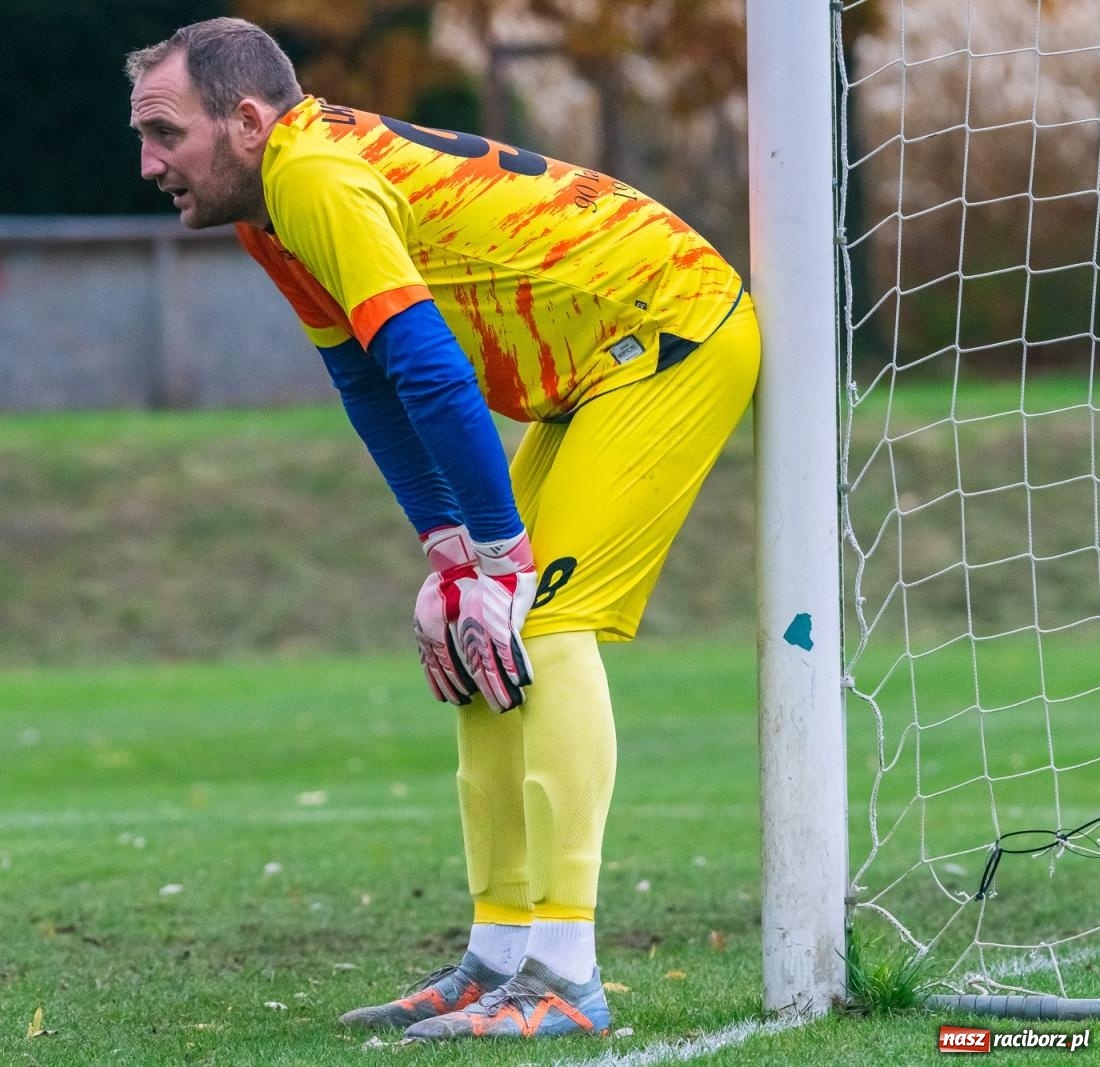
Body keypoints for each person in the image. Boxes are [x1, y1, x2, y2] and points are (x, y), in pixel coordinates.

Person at [125, 17, 759, 1043]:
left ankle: (567, 971)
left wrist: (502, 559)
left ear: (246, 120)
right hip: (593, 367)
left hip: (670, 332)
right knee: (480, 639)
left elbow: (430, 368)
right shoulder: (269, 208)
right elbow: (366, 381)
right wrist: (453, 555)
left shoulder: (315, 180)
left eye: (162, 132)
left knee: (543, 623)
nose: (146, 162)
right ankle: (500, 953)